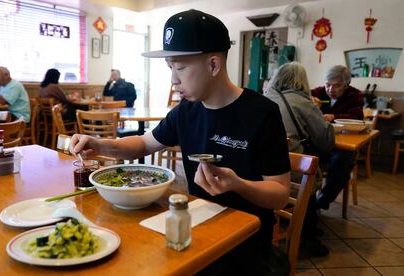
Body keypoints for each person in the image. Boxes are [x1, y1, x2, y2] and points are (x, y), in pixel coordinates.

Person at [71, 9, 291, 275]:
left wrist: (238, 184)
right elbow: (143, 144)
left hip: (247, 238)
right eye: (170, 68)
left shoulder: (261, 113)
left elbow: (279, 193)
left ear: (213, 65)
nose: (173, 80)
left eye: (181, 67)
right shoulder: (185, 112)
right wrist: (100, 144)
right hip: (196, 227)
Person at [265, 62, 335, 257]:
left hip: (263, 170)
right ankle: (308, 236)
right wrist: (321, 114)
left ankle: (292, 222)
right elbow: (327, 141)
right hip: (290, 170)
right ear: (302, 81)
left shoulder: (265, 98)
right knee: (310, 177)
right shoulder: (303, 102)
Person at [311, 65, 364, 210]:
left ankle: (324, 198)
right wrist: (309, 101)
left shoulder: (355, 95)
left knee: (343, 160)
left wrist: (333, 116)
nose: (330, 90)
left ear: (346, 85)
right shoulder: (318, 92)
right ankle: (305, 200)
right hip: (321, 142)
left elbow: (357, 117)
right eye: (328, 84)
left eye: (337, 86)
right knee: (301, 151)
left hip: (343, 145)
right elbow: (303, 101)